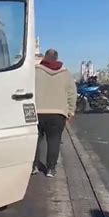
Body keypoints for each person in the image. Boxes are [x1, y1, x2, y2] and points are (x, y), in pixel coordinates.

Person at [32, 49, 77, 177]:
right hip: (58, 114)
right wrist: (71, 111)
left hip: (37, 112)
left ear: (44, 57)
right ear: (57, 59)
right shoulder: (66, 74)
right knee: (54, 141)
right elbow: (72, 94)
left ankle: (34, 166)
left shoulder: (35, 71)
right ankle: (51, 169)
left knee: (36, 140)